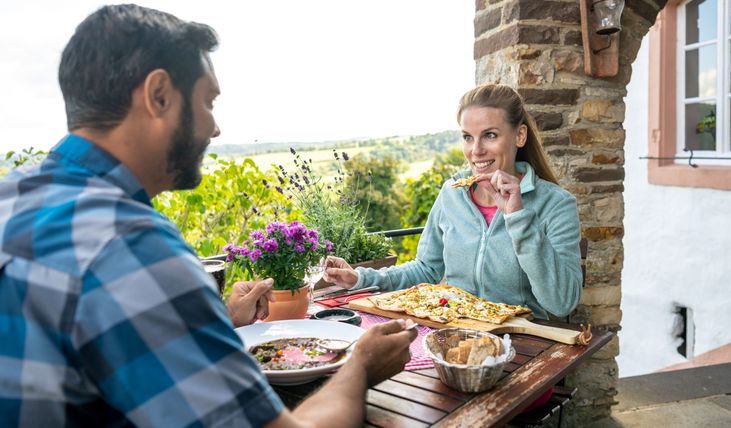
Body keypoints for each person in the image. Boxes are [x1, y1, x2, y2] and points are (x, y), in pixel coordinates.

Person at [0, 5, 415, 427]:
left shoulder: (10, 198)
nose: (214, 128)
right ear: (159, 95)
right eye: (208, 101)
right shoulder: (131, 246)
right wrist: (360, 365)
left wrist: (214, 317)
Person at [324, 83, 583, 320]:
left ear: (520, 136)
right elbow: (426, 269)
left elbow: (562, 303)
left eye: (490, 135)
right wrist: (360, 277)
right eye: (468, 137)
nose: (476, 150)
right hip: (454, 334)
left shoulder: (556, 204)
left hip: (521, 341)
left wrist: (517, 217)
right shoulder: (452, 193)